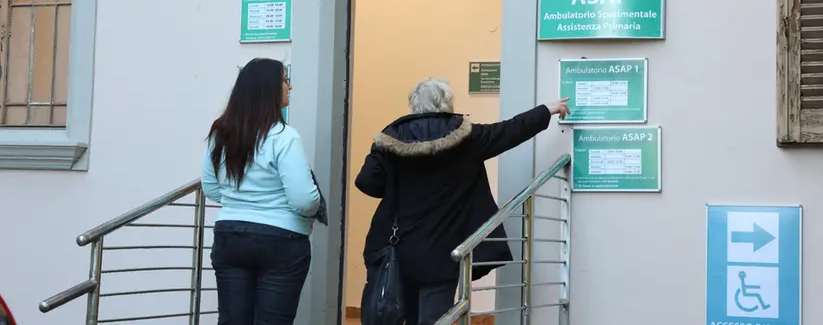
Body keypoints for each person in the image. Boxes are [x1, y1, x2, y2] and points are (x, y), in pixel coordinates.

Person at [355, 77, 571, 325]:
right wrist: (547, 109)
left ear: (414, 105)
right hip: (441, 251)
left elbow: (366, 182)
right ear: (447, 103)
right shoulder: (467, 137)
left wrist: (397, 185)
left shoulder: (389, 139)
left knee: (392, 315)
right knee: (436, 318)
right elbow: (510, 130)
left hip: (395, 248)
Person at [201, 58, 321, 325]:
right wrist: (313, 207)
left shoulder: (220, 133)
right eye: (284, 80)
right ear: (268, 88)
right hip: (282, 240)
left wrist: (240, 203)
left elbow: (210, 187)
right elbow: (303, 199)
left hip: (230, 235)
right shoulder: (284, 136)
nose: (290, 86)